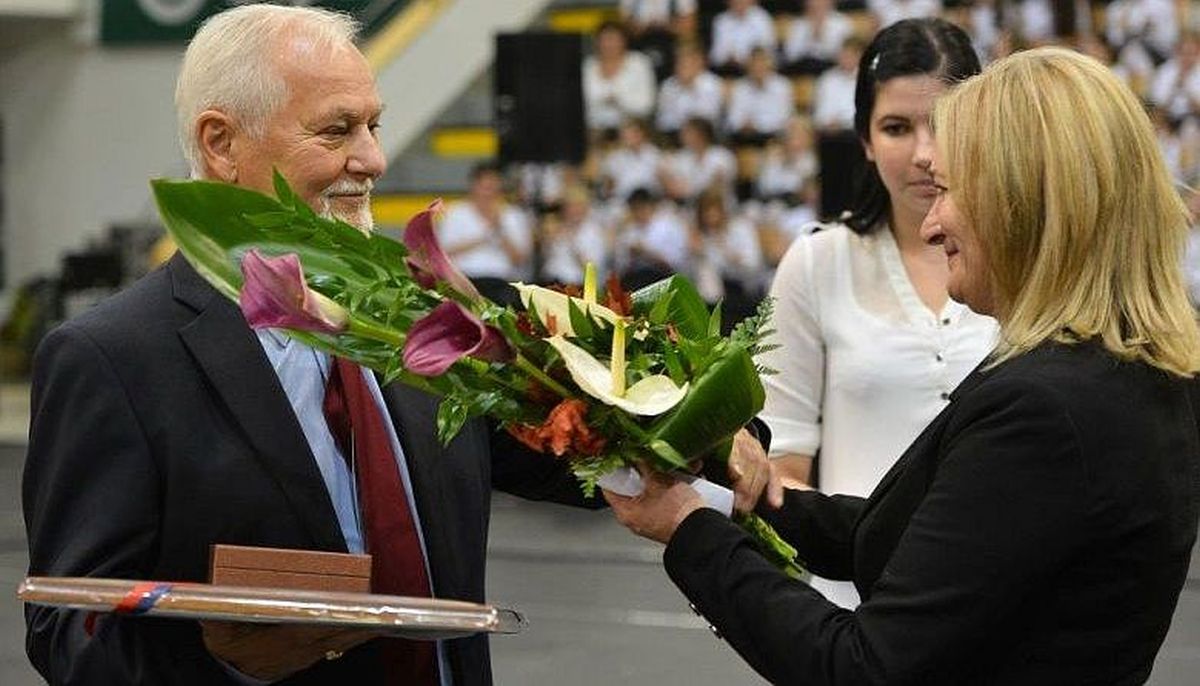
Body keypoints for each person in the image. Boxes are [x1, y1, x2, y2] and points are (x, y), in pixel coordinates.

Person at [21, 6, 599, 685]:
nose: (373, 159)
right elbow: (69, 629)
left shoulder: (424, 318)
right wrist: (226, 663)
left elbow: (574, 461)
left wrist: (684, 427)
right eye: (337, 130)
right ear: (221, 144)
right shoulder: (112, 359)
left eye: (374, 126)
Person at [605, 46, 1200, 684]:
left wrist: (689, 529)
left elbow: (862, 669)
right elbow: (902, 538)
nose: (932, 224)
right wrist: (728, 475)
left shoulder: (1047, 408)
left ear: (1023, 203)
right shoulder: (1118, 373)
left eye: (948, 191)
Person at [763, 18, 998, 609]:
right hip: (854, 610)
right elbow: (780, 467)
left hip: (999, 605)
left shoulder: (1027, 260)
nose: (923, 154)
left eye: (942, 124)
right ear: (864, 140)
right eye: (896, 128)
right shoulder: (817, 263)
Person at [437, 161, 533, 283]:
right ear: (473, 186)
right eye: (484, 187)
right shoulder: (454, 212)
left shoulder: (513, 215)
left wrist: (499, 230)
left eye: (493, 187)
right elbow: (443, 252)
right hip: (464, 279)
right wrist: (482, 239)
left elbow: (519, 259)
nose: (488, 193)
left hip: (501, 279)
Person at [582, 20, 657, 137]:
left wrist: (619, 101)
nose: (609, 44)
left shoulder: (639, 63)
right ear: (597, 42)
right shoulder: (587, 66)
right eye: (605, 39)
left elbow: (647, 104)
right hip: (592, 130)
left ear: (624, 41)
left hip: (632, 131)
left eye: (614, 39)